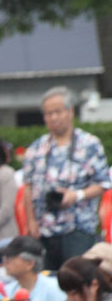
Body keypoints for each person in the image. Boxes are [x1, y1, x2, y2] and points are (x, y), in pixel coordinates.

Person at [20, 86, 111, 270]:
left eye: (57, 112)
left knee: (76, 278)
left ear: (70, 111)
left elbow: (103, 183)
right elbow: (28, 187)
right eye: (48, 113)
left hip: (77, 227)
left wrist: (76, 195)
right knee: (48, 280)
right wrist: (30, 221)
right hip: (44, 229)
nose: (53, 118)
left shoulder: (89, 144)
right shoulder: (36, 148)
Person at [0, 236, 64, 301]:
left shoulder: (53, 288)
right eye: (5, 258)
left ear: (29, 264)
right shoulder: (7, 290)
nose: (5, 262)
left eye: (11, 257)